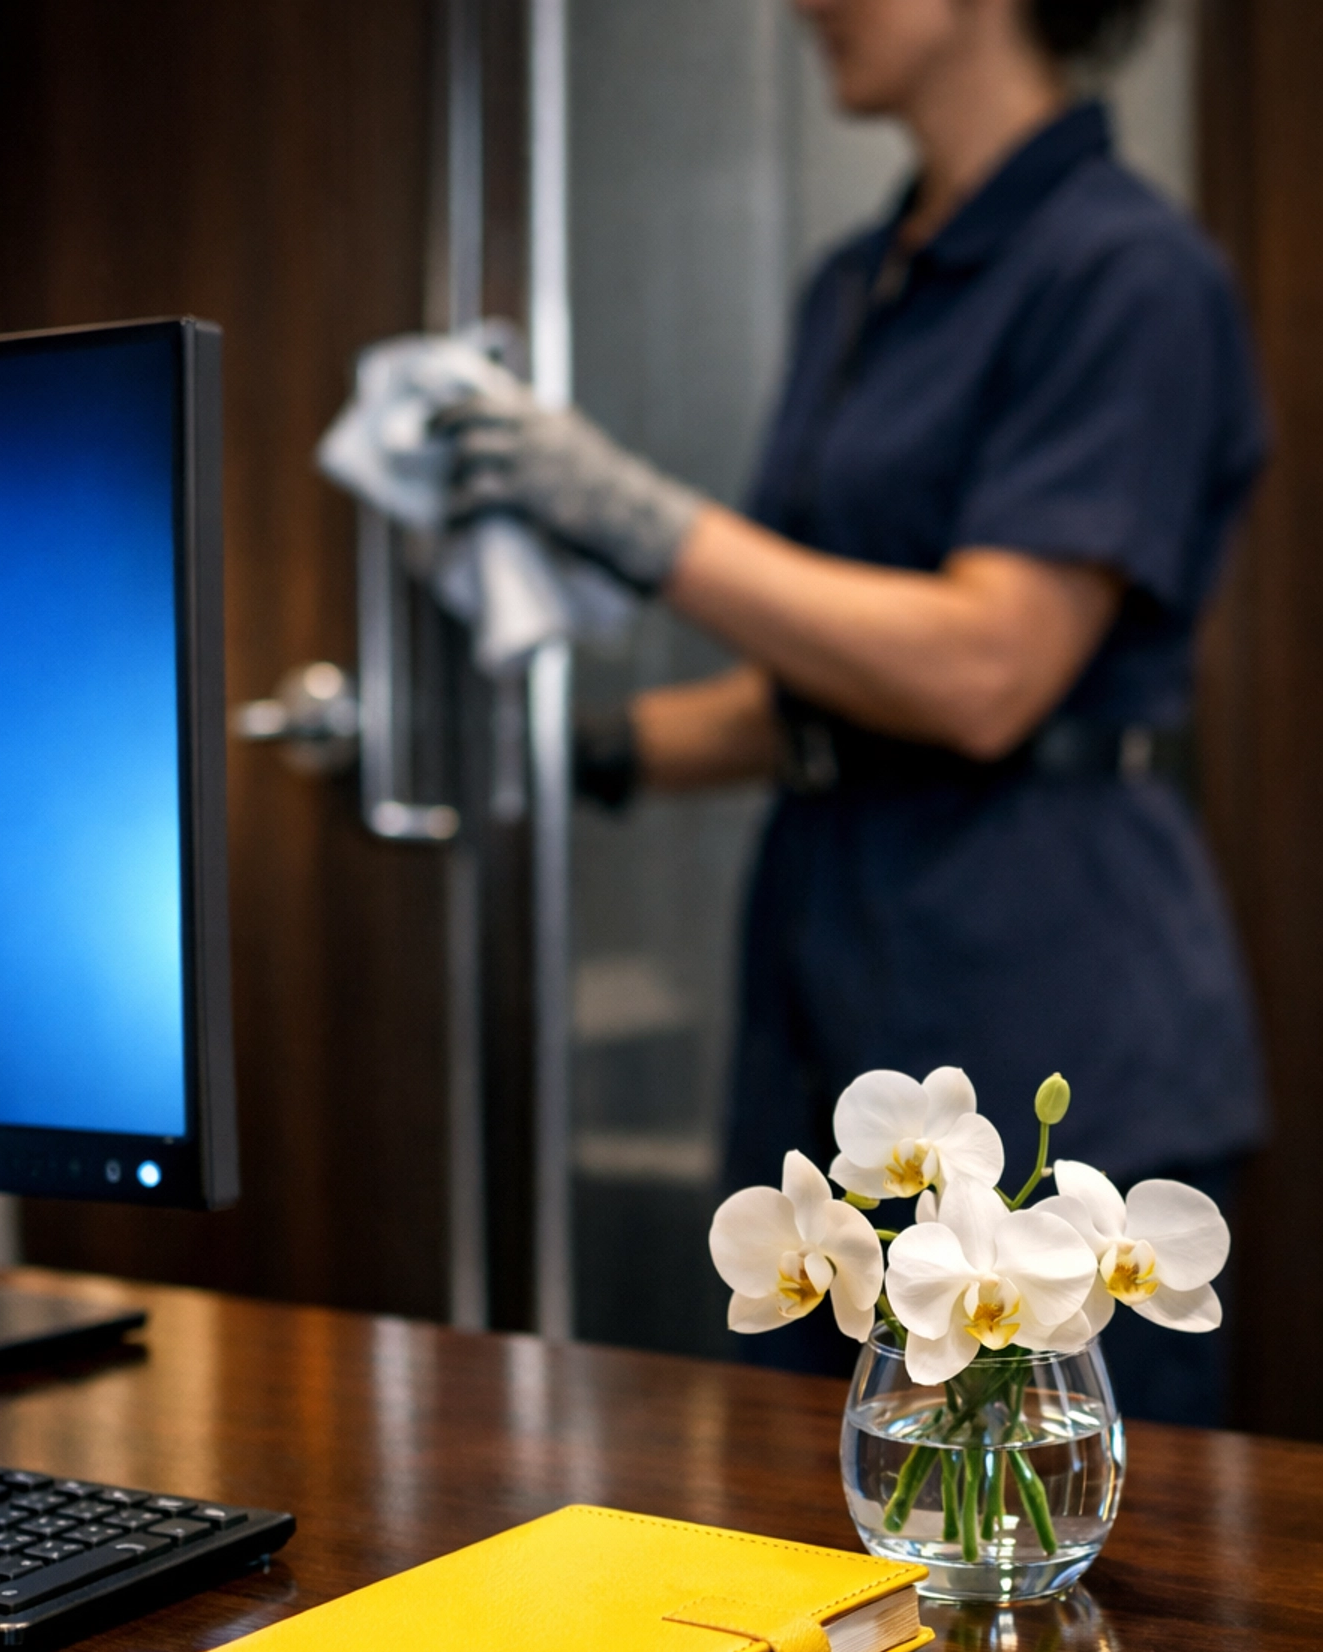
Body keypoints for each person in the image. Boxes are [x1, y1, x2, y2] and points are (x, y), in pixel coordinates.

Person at [438, 0, 1268, 1426]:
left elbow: (982, 674)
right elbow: (841, 680)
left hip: (1043, 981)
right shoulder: (856, 285)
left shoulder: (1127, 274)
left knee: (1032, 1550)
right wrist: (570, 757)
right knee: (810, 1516)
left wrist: (629, 514)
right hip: (831, 988)